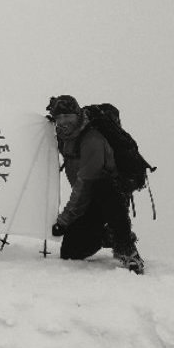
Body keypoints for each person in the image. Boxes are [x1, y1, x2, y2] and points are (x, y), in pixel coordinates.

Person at [47, 95, 145, 274]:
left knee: (103, 187)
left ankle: (127, 249)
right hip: (89, 199)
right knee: (70, 252)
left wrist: (64, 220)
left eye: (68, 116)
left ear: (77, 115)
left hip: (111, 196)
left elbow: (85, 183)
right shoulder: (64, 136)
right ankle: (108, 236)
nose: (63, 122)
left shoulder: (92, 140)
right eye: (59, 118)